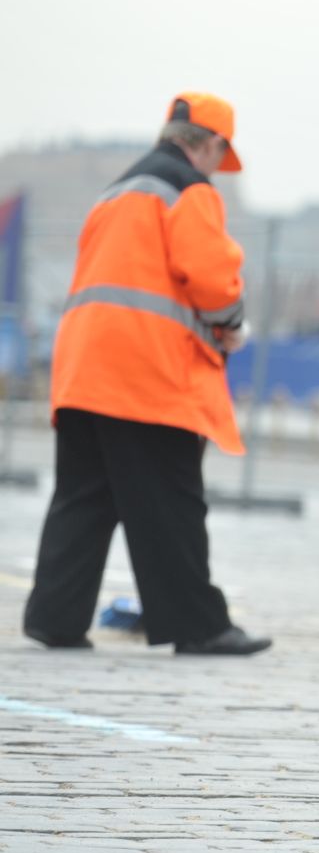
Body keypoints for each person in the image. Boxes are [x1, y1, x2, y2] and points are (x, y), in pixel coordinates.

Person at [23, 94, 271, 656]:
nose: (217, 171)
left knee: (84, 498)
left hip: (85, 369)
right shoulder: (189, 191)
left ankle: (54, 618)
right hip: (148, 374)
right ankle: (198, 625)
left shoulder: (115, 193)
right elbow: (210, 277)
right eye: (219, 156)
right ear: (208, 144)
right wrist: (232, 324)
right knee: (171, 501)